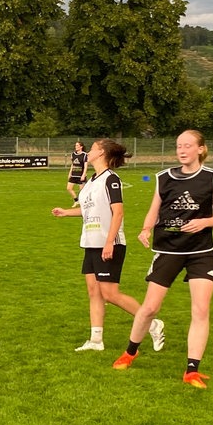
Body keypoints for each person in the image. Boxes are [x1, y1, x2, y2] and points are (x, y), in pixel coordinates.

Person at [115, 130, 213, 388]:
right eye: (179, 146)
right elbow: (154, 210)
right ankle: (130, 352)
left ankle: (192, 370)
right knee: (150, 308)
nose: (182, 150)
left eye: (187, 145)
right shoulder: (164, 178)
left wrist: (204, 223)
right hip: (168, 250)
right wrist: (145, 229)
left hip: (201, 251)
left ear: (201, 149)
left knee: (200, 309)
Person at [50, 139, 162, 353]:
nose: (89, 151)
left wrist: (109, 242)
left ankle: (153, 323)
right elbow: (89, 211)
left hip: (109, 243)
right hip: (91, 243)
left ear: (101, 152)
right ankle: (96, 340)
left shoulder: (111, 179)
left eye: (92, 148)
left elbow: (118, 212)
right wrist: (66, 212)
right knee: (94, 292)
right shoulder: (92, 180)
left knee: (110, 293)